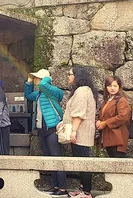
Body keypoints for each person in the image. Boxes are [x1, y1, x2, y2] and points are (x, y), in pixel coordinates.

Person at [24, 69, 67, 197]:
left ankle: (63, 188)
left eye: (38, 78)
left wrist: (46, 77)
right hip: (42, 130)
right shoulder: (38, 94)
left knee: (56, 158)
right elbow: (27, 95)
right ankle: (55, 186)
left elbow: (44, 85)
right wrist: (29, 82)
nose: (36, 80)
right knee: (50, 159)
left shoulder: (54, 92)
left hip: (52, 129)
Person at [63, 66, 96, 198]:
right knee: (81, 160)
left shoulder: (82, 91)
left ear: (77, 76)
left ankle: (86, 192)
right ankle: (82, 189)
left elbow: (78, 114)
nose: (69, 77)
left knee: (83, 162)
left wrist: (74, 131)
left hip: (81, 133)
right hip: (80, 132)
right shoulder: (85, 90)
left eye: (70, 74)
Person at [96, 76, 130, 158]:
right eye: (110, 86)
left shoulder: (121, 100)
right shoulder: (107, 100)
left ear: (119, 87)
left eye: (115, 86)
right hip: (108, 137)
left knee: (119, 165)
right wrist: (99, 121)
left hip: (118, 138)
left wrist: (105, 123)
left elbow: (123, 116)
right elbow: (103, 116)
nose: (112, 88)